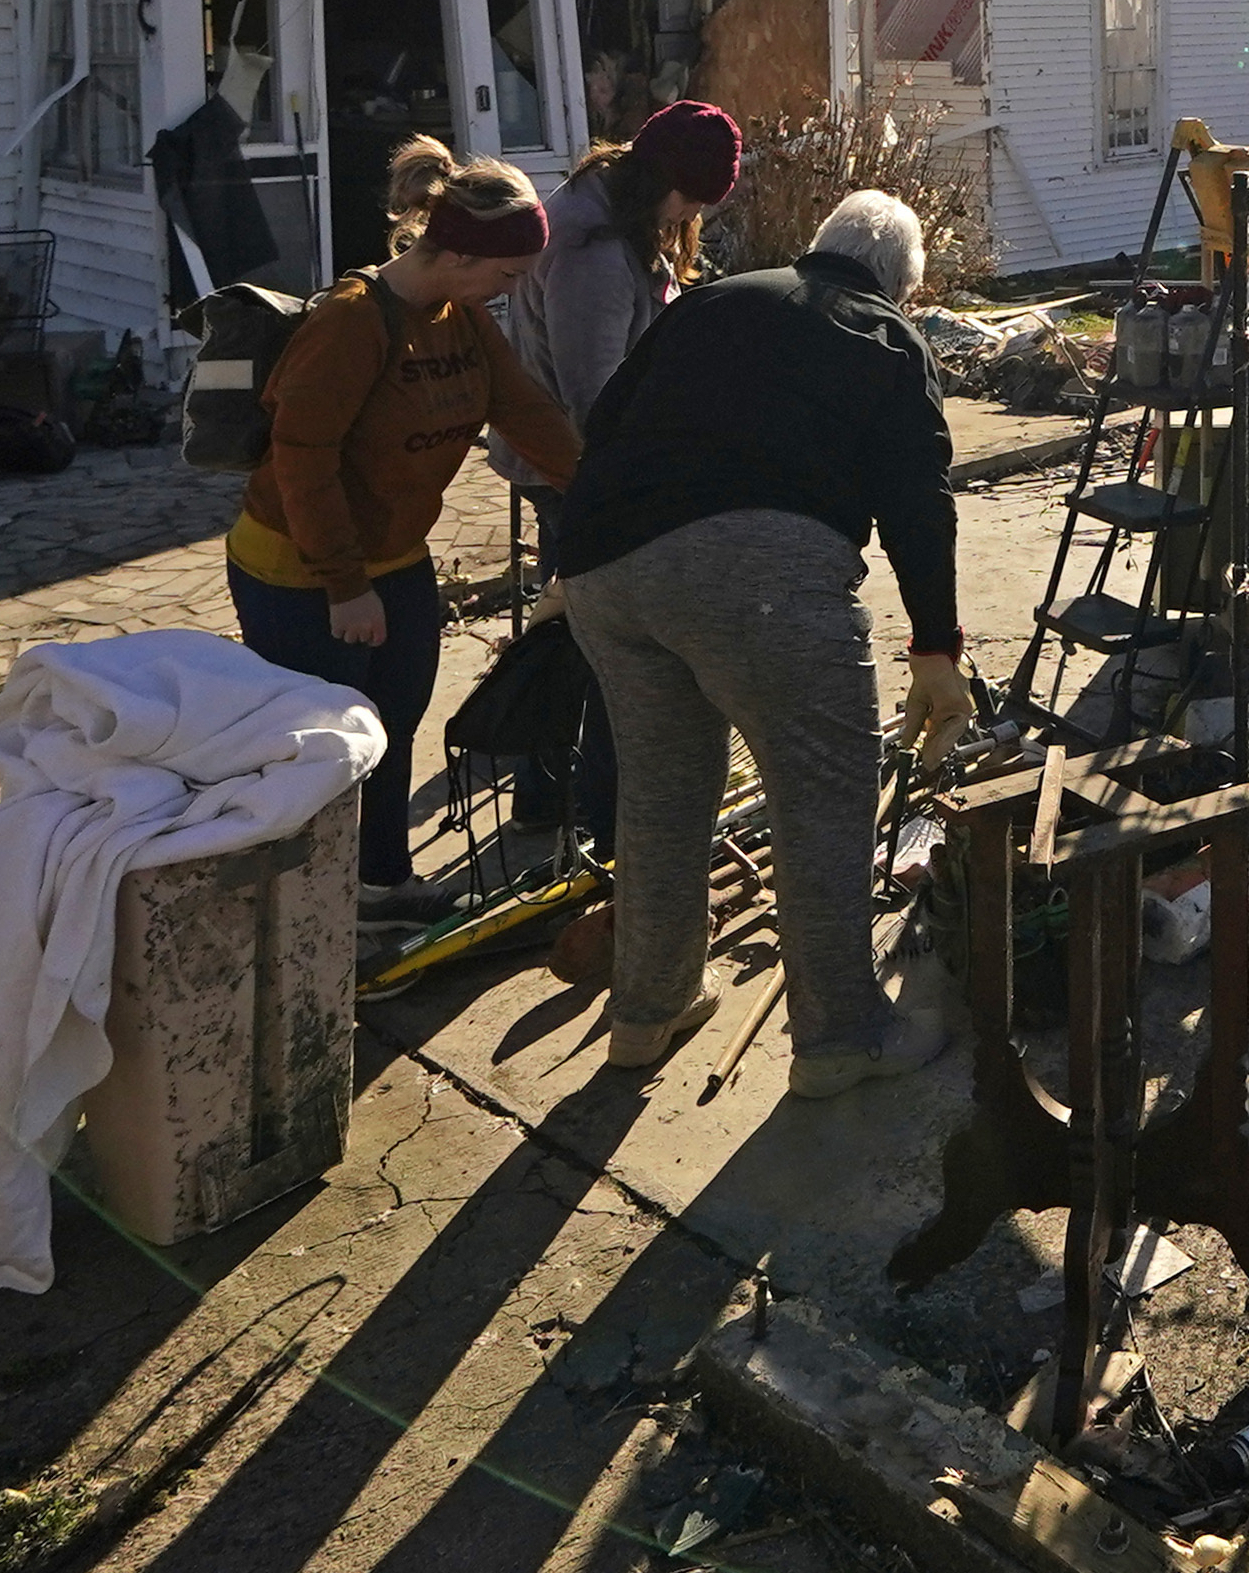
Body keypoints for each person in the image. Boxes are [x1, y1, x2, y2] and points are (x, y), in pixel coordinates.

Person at [554, 187, 968, 1087]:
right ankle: (840, 1039)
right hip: (760, 576)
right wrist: (938, 647)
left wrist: (578, 557)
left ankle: (648, 1012)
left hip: (605, 572)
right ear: (900, 281)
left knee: (663, 793)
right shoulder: (886, 335)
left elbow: (605, 424)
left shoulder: (710, 300)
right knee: (822, 793)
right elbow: (917, 505)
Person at [236, 140, 578, 913]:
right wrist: (345, 586)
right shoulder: (352, 322)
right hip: (299, 572)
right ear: (457, 252)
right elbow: (303, 459)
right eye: (507, 275)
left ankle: (382, 881)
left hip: (397, 558)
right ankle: (307, 911)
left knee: (392, 728)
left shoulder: (461, 317)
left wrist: (602, 490)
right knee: (322, 747)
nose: (509, 291)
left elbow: (523, 409)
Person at [492, 100, 741, 437]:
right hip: (569, 461)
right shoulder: (592, 254)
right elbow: (594, 400)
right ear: (659, 179)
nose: (692, 214)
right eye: (689, 199)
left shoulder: (613, 197)